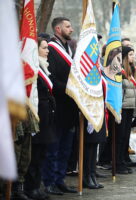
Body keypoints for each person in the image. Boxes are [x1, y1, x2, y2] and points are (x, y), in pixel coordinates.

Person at [42, 17, 78, 195]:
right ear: (58, 29)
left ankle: (60, 179)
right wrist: (71, 88)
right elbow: (52, 79)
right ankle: (49, 181)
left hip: (70, 107)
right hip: (57, 107)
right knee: (53, 149)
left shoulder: (69, 48)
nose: (71, 29)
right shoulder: (52, 49)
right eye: (68, 26)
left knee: (65, 149)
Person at [24, 38, 56, 200]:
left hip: (46, 119)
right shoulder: (33, 69)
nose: (48, 50)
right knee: (34, 156)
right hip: (37, 119)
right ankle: (30, 188)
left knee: (41, 155)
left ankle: (36, 186)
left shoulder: (44, 67)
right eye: (44, 48)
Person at [115, 46, 136, 174]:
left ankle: (123, 161)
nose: (133, 57)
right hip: (122, 107)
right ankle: (118, 164)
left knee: (125, 136)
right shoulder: (119, 71)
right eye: (130, 54)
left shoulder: (131, 71)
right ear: (124, 56)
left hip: (130, 107)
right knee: (120, 136)